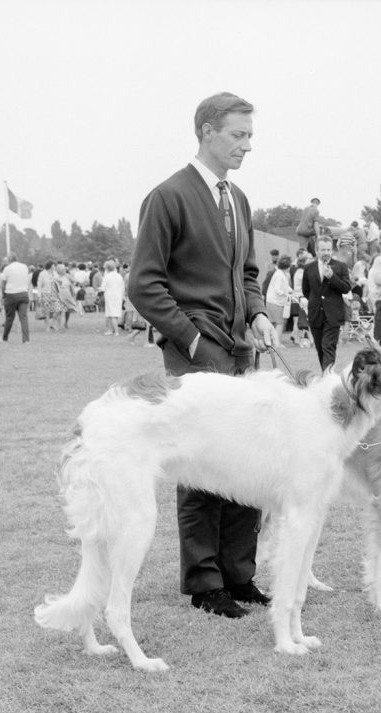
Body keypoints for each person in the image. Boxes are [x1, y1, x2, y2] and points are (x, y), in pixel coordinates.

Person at [126, 92, 275, 619]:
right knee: (200, 466)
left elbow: (248, 275)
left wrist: (256, 312)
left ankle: (239, 575)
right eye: (239, 135)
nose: (247, 146)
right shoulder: (167, 197)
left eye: (250, 136)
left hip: (241, 352)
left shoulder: (238, 199)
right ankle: (204, 582)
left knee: (247, 462)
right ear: (208, 131)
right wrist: (190, 340)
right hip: (195, 354)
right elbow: (144, 285)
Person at [301, 236, 352, 370]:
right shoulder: (308, 268)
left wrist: (332, 277)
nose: (326, 253)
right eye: (323, 249)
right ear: (317, 251)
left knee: (328, 346)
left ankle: (327, 378)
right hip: (315, 314)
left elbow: (346, 287)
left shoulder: (340, 267)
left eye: (328, 249)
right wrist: (315, 302)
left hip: (333, 314)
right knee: (320, 348)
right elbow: (306, 290)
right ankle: (326, 374)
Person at [0, 253, 31, 343]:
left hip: (11, 294)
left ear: (9, 260)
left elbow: (3, 283)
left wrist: (3, 295)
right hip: (23, 293)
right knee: (23, 318)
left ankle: (5, 338)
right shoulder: (24, 267)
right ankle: (26, 340)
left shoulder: (7, 268)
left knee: (9, 318)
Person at [265, 254, 294, 346]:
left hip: (272, 301)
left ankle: (272, 342)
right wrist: (286, 294)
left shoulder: (280, 274)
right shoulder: (279, 275)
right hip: (275, 302)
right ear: (287, 266)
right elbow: (277, 290)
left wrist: (289, 291)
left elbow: (284, 287)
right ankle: (277, 343)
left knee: (274, 323)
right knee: (280, 323)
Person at [100, 260, 125, 335]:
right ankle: (112, 330)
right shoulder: (119, 276)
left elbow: (103, 288)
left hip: (110, 297)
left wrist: (100, 289)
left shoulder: (107, 276)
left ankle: (116, 332)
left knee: (112, 315)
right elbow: (122, 287)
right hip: (118, 296)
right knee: (115, 314)